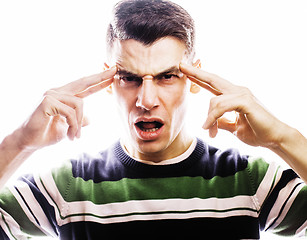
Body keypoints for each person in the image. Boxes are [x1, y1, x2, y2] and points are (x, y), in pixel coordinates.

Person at [0, 0, 306, 239]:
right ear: (109, 81)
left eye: (167, 76)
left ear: (195, 77)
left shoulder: (250, 181)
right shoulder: (67, 188)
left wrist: (282, 138)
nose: (146, 100)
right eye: (130, 77)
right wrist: (19, 143)